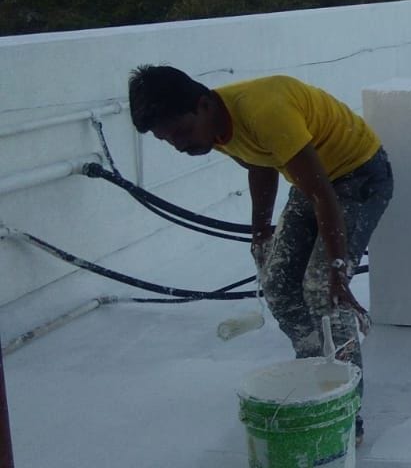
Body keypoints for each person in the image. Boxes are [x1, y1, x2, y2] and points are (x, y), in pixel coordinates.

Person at [128, 65, 393, 445]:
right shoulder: (215, 126)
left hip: (360, 175)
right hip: (313, 181)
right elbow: (259, 164)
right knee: (278, 284)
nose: (181, 146)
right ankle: (315, 375)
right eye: (169, 141)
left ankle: (346, 417)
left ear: (203, 105)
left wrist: (336, 269)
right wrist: (260, 232)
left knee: (323, 292)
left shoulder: (264, 111)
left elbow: (324, 196)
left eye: (182, 133)